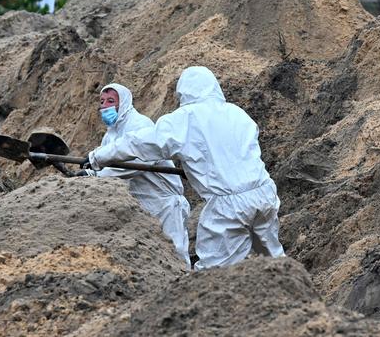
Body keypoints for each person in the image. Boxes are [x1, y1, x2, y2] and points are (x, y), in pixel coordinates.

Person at [85, 66, 285, 270]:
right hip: (264, 195)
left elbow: (140, 144)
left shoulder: (186, 118)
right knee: (273, 261)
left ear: (184, 91)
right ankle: (294, 297)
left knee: (213, 274)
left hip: (229, 206)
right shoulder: (237, 113)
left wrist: (97, 157)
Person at [76, 83, 191, 269]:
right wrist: (92, 170)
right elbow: (108, 159)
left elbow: (138, 163)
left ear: (124, 102)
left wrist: (98, 175)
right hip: (142, 203)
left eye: (111, 101)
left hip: (164, 202)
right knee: (153, 257)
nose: (105, 106)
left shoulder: (139, 124)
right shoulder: (111, 134)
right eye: (102, 101)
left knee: (175, 251)